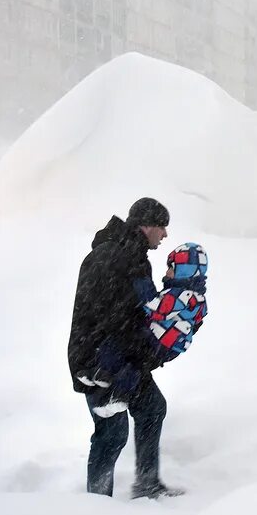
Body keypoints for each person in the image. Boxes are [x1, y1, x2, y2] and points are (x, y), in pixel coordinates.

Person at [68, 197, 181, 499]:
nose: (165, 234)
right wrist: (142, 349)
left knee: (153, 408)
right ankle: (96, 502)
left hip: (125, 357)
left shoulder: (133, 256)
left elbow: (139, 311)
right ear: (146, 226)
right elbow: (111, 317)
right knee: (112, 432)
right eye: (162, 227)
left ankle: (147, 483)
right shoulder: (111, 256)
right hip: (100, 361)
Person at [89, 243, 209, 419]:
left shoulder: (185, 295)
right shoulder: (192, 296)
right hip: (165, 343)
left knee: (131, 358)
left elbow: (156, 307)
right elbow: (197, 316)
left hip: (159, 341)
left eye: (172, 268)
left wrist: (141, 281)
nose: (167, 272)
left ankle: (119, 397)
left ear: (186, 271)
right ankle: (104, 375)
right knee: (128, 355)